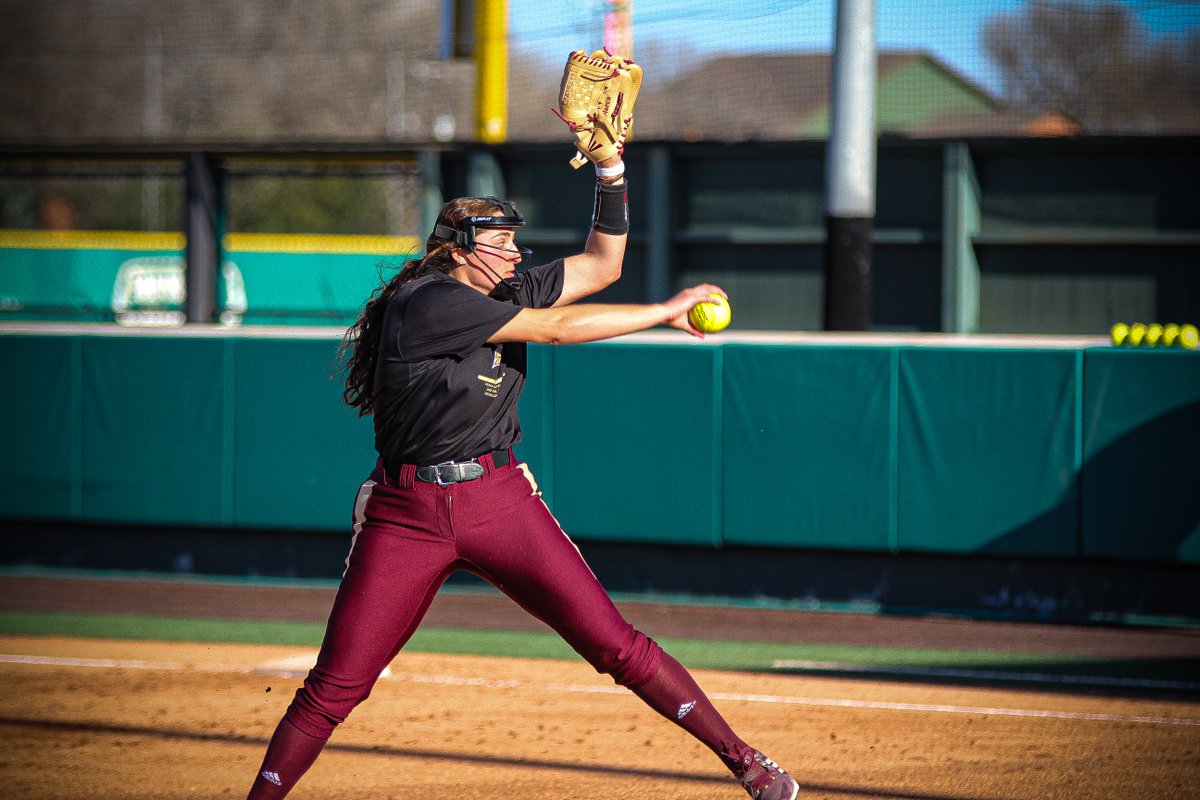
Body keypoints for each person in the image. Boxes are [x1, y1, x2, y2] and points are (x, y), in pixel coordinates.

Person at [245, 153, 800, 800]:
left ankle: (749, 765)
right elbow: (559, 331)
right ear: (455, 251)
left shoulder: (503, 290)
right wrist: (665, 310)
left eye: (515, 240)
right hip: (408, 514)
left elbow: (603, 265)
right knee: (337, 686)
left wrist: (611, 174)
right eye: (499, 242)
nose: (515, 253)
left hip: (497, 499)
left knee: (616, 646)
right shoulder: (425, 302)